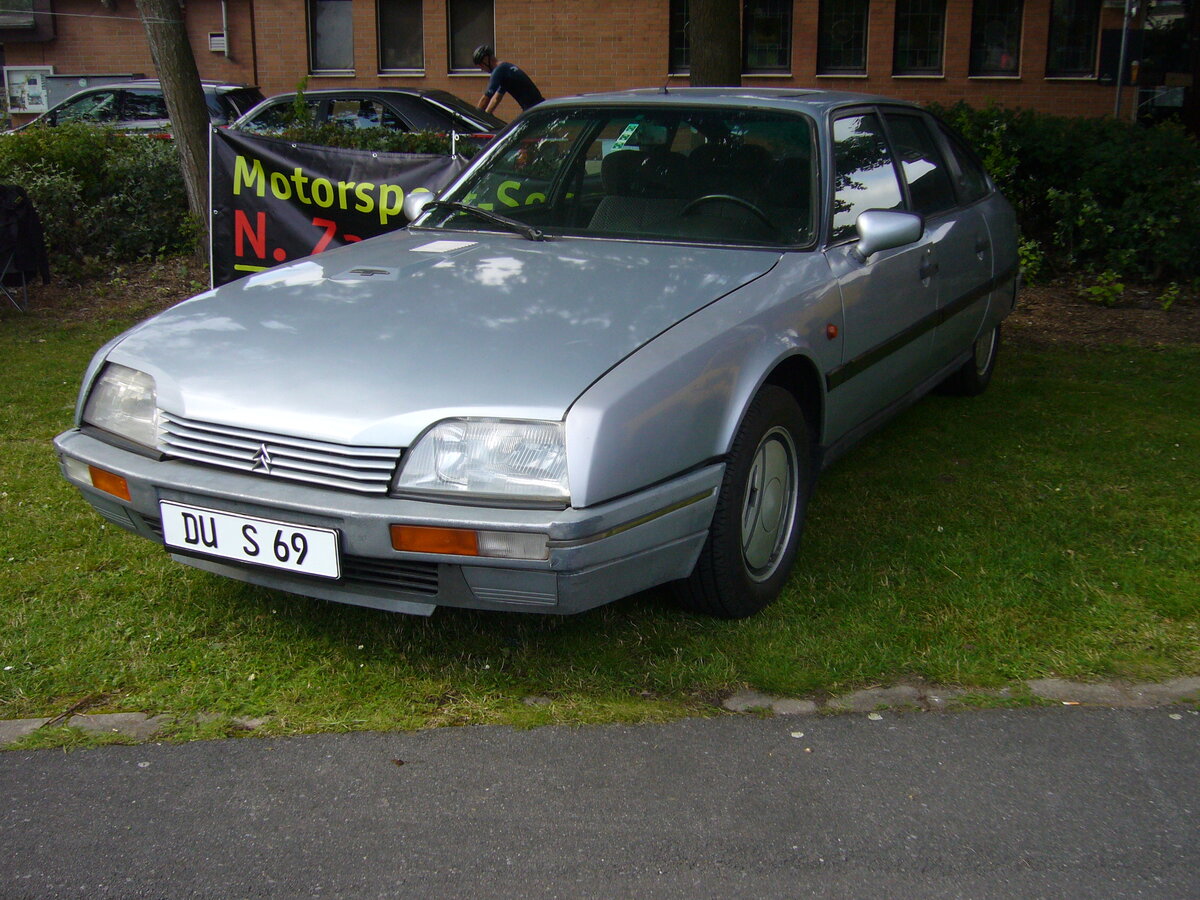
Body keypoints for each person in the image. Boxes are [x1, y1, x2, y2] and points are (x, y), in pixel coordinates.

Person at [473, 45, 544, 113]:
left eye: (481, 66)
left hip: (533, 110)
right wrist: (487, 114)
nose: (482, 69)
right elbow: (496, 99)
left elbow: (486, 98)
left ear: (486, 59)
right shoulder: (505, 68)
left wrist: (476, 116)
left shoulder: (498, 70)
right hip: (537, 107)